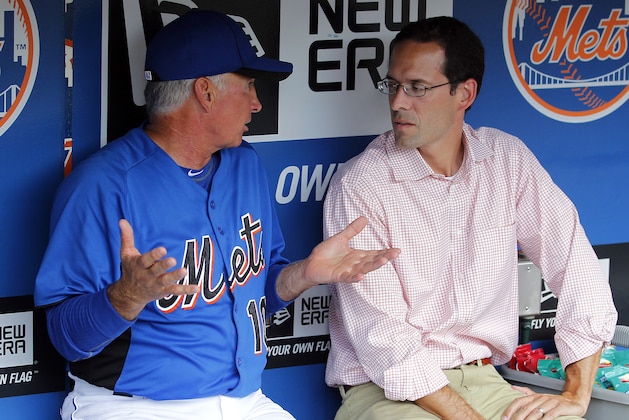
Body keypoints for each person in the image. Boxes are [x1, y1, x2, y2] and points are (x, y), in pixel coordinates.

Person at [34, 9, 399, 420]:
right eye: (248, 87)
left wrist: (304, 274)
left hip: (244, 401)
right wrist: (127, 295)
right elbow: (65, 338)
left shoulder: (245, 166)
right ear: (205, 92)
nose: (258, 103)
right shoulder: (101, 185)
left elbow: (255, 291)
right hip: (134, 407)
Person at [322, 16, 617, 420]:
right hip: (387, 393)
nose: (397, 102)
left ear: (465, 93)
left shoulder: (506, 160)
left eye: (418, 88)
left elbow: (578, 268)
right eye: (393, 85)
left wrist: (576, 395)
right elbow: (384, 341)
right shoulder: (361, 184)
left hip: (485, 381)